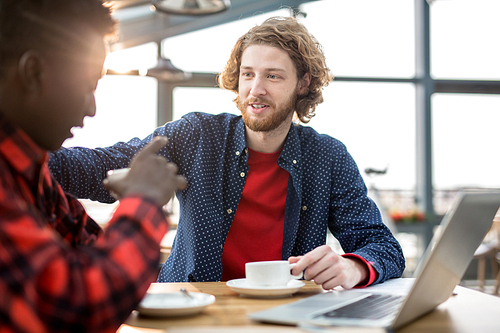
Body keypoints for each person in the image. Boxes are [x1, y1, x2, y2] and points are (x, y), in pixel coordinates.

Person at [49, 16, 405, 290]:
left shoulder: (328, 156)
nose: (256, 90)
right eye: (248, 74)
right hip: (190, 310)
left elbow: (381, 245)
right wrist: (29, 155)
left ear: (304, 83)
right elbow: (103, 167)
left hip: (285, 316)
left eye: (273, 77)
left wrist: (353, 266)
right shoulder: (196, 134)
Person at [0, 1, 186, 332]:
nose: (92, 109)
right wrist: (142, 200)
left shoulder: (29, 167)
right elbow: (79, 313)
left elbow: (88, 252)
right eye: (89, 85)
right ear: (32, 73)